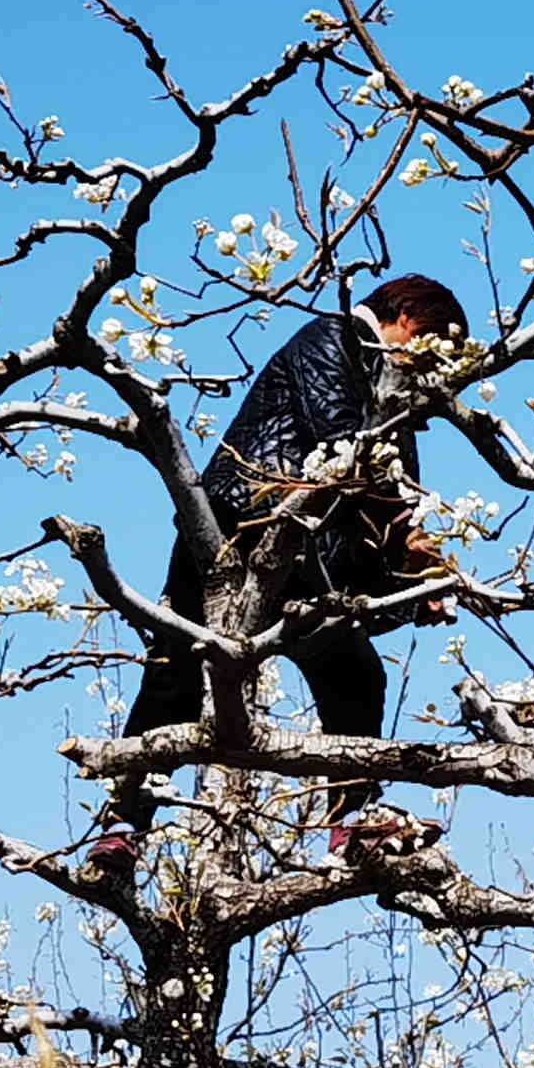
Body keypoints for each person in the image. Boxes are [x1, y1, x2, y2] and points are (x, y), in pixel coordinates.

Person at [97, 274, 470, 868]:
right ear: (403, 317)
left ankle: (351, 821)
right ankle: (122, 825)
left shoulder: (388, 384)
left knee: (353, 674)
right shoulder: (332, 339)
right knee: (176, 678)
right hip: (236, 527)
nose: (425, 364)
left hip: (302, 550)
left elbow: (391, 487)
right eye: (426, 342)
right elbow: (344, 445)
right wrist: (402, 545)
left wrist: (413, 577)